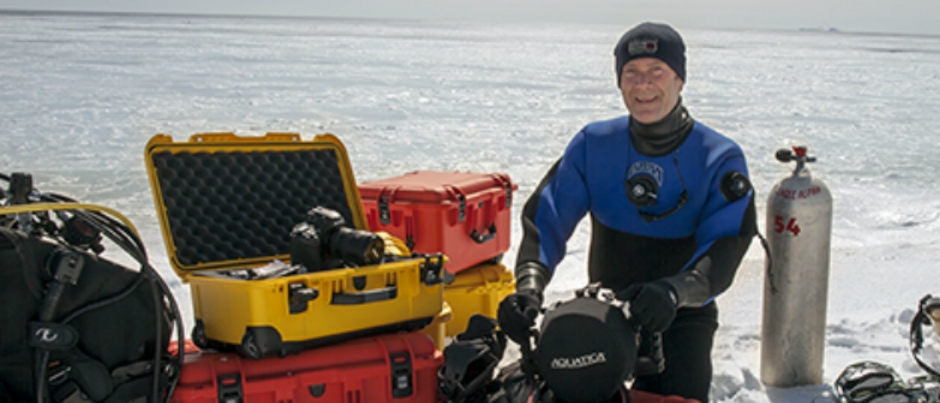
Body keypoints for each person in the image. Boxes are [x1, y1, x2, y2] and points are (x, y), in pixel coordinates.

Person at [498, 21, 757, 402]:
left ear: (679, 80)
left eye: (657, 71)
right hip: (604, 314)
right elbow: (547, 218)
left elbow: (725, 247)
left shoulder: (718, 157)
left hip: (680, 317)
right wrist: (529, 287)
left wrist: (673, 292)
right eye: (631, 72)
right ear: (619, 82)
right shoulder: (594, 144)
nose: (643, 83)